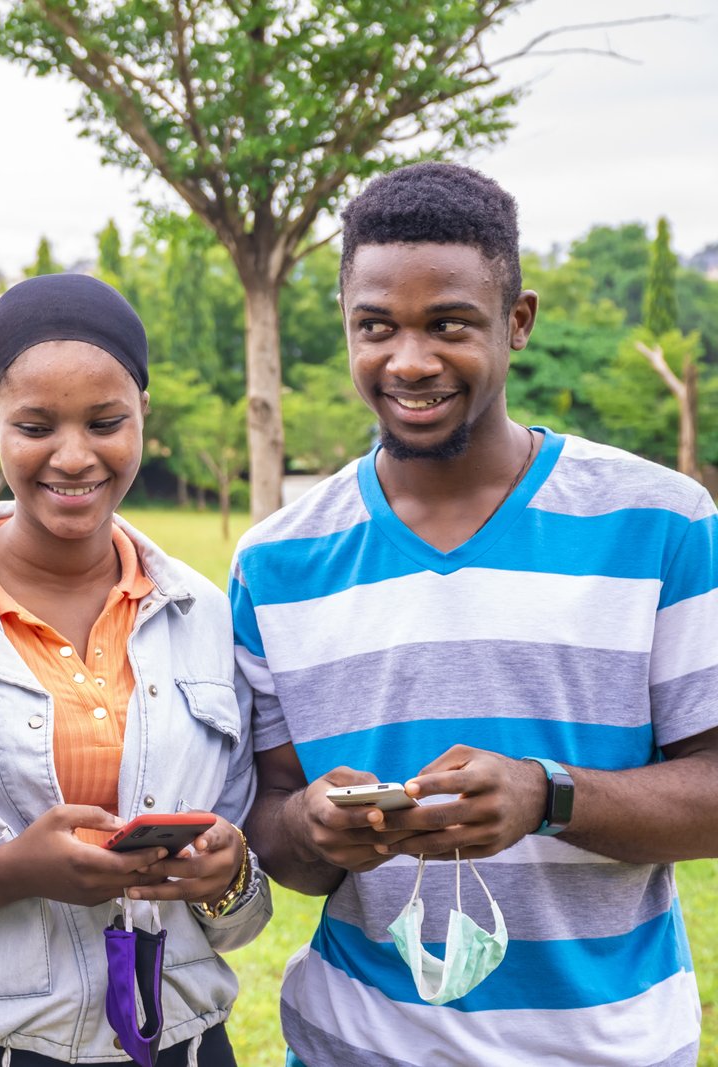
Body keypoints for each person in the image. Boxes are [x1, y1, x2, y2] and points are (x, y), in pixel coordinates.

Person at [236, 162, 718, 1066]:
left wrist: (548, 794)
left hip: (609, 1048)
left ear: (518, 321)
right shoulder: (277, 561)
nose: (409, 361)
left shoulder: (661, 522)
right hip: (355, 1046)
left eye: (448, 324)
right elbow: (271, 828)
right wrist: (313, 825)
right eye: (375, 327)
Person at [0, 273, 271, 1066]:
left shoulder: (205, 616)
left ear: (144, 412)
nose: (74, 456)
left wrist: (228, 870)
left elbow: (243, 916)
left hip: (186, 1047)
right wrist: (3, 873)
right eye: (36, 425)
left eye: (106, 421)